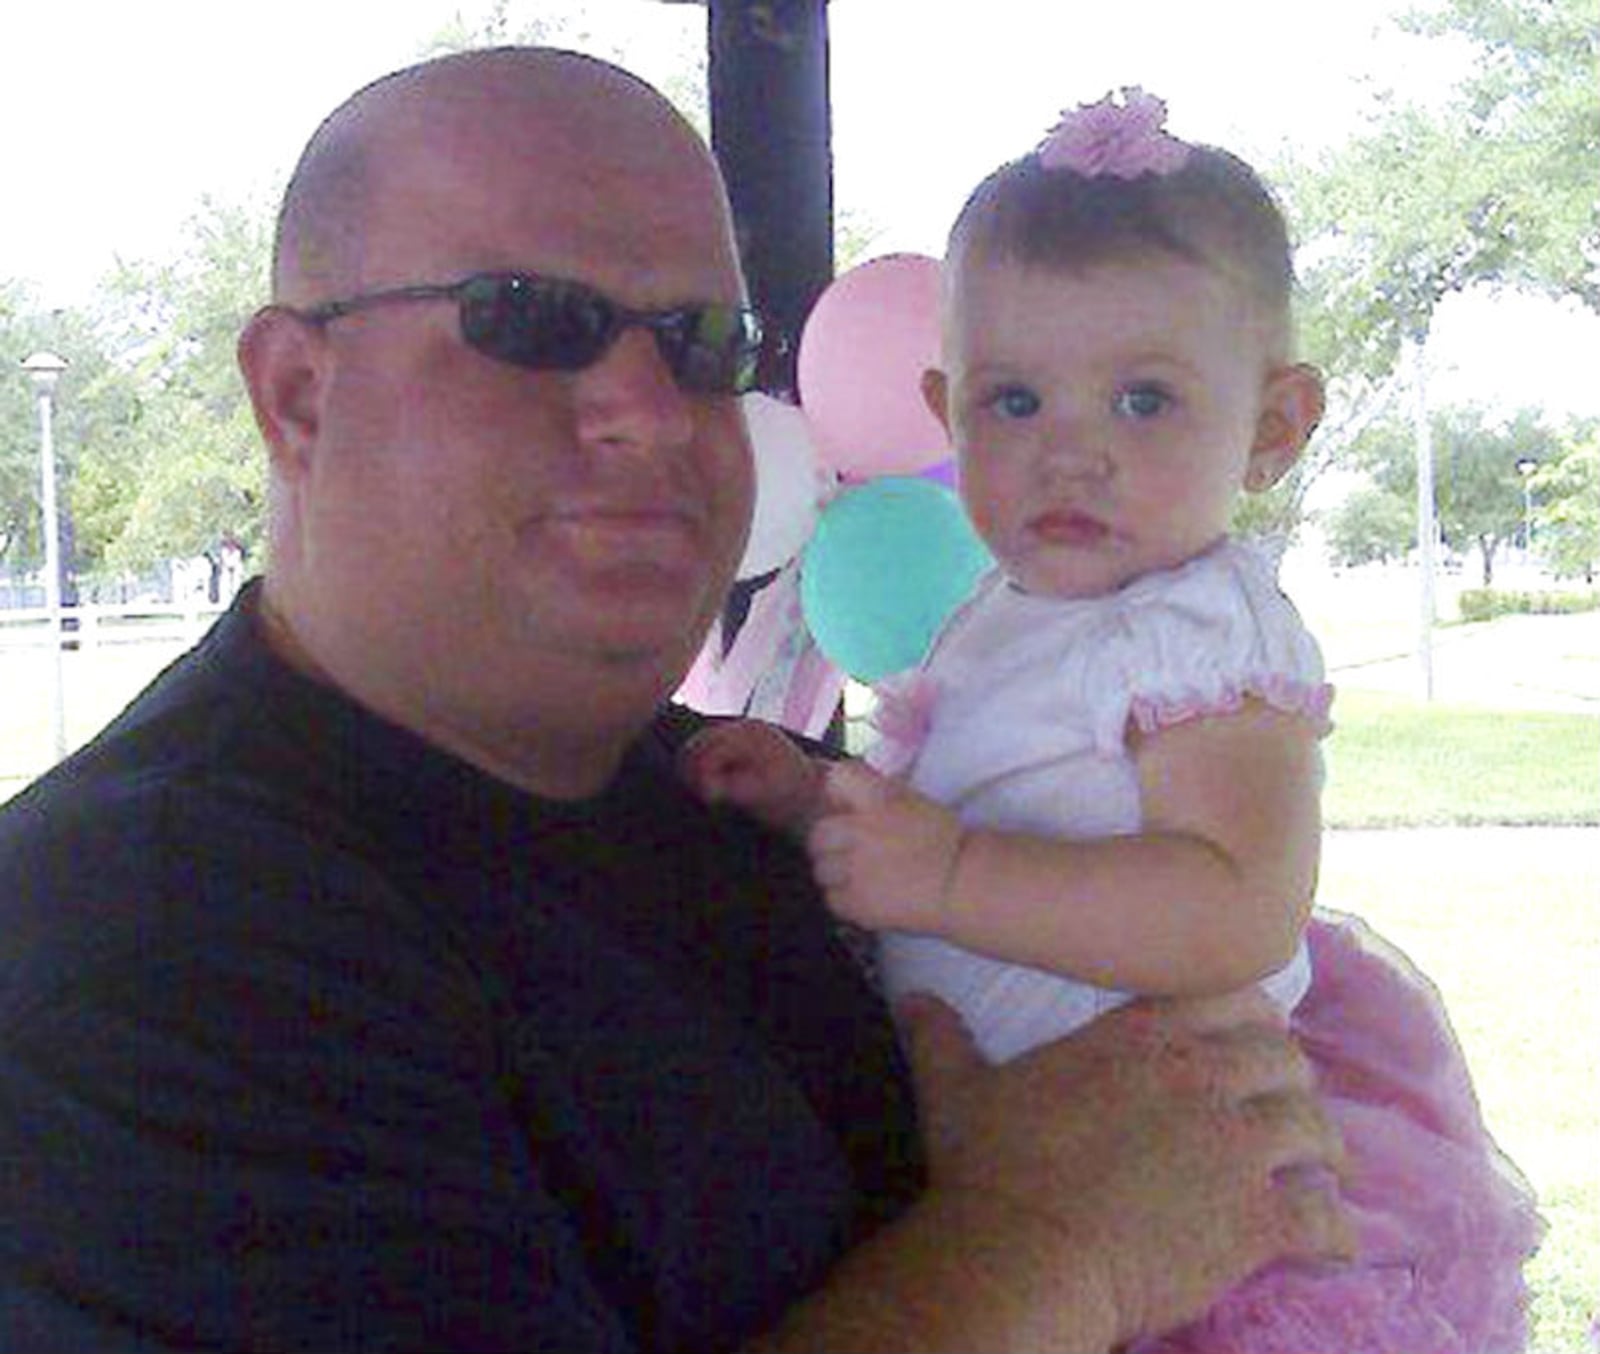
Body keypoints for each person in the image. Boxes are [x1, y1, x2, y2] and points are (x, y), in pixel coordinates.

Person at [0, 53, 1354, 1353]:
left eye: (706, 343)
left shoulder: (717, 782)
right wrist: (1049, 1247)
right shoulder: (133, 948)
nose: (651, 412)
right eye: (534, 320)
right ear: (299, 394)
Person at [682, 89, 1543, 1353]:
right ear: (945, 406)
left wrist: (953, 878)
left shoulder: (1201, 630)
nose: (1066, 453)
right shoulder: (1000, 610)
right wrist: (820, 798)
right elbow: (965, 805)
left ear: (1274, 424)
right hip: (1031, 1163)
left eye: (1140, 401)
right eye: (1013, 402)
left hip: (1191, 1190)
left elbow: (1237, 898)